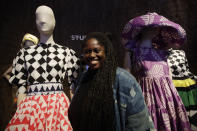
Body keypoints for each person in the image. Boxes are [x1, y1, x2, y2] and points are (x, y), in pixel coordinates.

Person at [5, 5, 79, 130]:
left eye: (47, 17)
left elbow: (73, 89)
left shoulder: (67, 52)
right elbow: (21, 88)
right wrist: (21, 115)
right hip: (30, 108)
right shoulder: (24, 53)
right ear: (35, 21)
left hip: (58, 108)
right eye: (39, 17)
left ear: (54, 21)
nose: (43, 20)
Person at [68, 32, 155, 131]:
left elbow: (138, 122)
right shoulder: (84, 78)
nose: (92, 55)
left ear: (106, 51)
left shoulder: (123, 79)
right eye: (87, 51)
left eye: (96, 50)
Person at [122, 12, 191, 131]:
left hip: (168, 97)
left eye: (157, 27)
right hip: (147, 96)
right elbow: (126, 75)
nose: (155, 29)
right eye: (152, 26)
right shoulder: (134, 52)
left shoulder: (163, 51)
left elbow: (168, 75)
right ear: (142, 29)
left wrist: (174, 99)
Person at [3, 33, 39, 107]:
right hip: (23, 94)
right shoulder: (20, 58)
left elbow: (6, 74)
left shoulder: (34, 60)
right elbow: (6, 73)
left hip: (31, 94)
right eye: (27, 45)